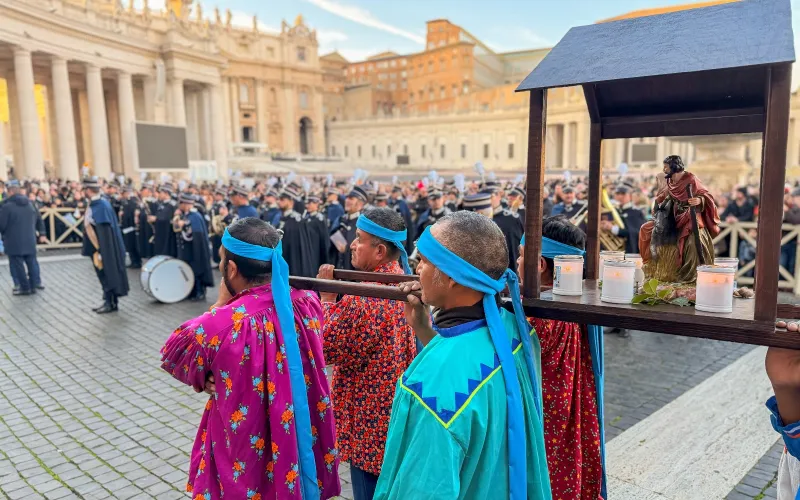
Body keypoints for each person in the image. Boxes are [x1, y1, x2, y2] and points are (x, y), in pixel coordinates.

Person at [160, 217, 341, 499]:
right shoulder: (306, 302)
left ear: (231, 268)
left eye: (221, 261)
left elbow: (175, 354)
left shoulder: (221, 323)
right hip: (296, 434)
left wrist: (220, 304)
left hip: (245, 443)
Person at [377, 211, 550, 499]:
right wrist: (423, 328)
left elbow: (423, 490)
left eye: (426, 262)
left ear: (452, 277)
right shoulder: (516, 331)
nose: (417, 270)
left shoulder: (429, 387)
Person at [317, 207, 416, 500]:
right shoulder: (398, 280)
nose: (352, 245)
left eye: (359, 239)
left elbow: (325, 348)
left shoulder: (366, 297)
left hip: (368, 423)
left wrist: (327, 299)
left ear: (380, 251)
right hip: (392, 414)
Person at [517, 217, 606, 500]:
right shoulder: (575, 301)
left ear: (540, 264)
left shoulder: (535, 317)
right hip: (569, 419)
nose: (516, 265)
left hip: (543, 424)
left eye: (520, 257)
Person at [639, 155, 720, 283]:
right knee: (646, 229)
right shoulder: (670, 181)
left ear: (674, 167)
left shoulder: (691, 179)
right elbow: (665, 196)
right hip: (671, 216)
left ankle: (691, 276)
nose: (664, 170)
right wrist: (659, 202)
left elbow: (707, 196)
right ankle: (650, 263)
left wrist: (699, 200)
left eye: (666, 167)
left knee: (692, 240)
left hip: (690, 215)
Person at [81, 178, 129, 313]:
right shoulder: (98, 204)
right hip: (100, 249)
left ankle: (111, 303)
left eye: (84, 189)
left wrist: (102, 252)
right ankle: (108, 300)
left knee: (106, 274)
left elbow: (104, 233)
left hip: (103, 250)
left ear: (89, 191)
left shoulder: (100, 206)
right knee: (103, 274)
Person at [0, 180, 45, 295]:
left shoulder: (7, 207)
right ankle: (34, 285)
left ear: (10, 192)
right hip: (29, 238)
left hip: (13, 240)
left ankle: (24, 287)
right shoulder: (30, 204)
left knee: (17, 265)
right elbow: (37, 220)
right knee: (31, 262)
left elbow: (2, 225)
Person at [176, 193, 214, 301]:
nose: (179, 205)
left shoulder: (195, 216)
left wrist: (185, 225)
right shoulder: (186, 215)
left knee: (196, 270)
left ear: (186, 204)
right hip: (188, 249)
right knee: (189, 270)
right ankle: (192, 291)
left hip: (195, 250)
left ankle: (199, 291)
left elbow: (195, 235)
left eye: (181, 203)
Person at [484, 186, 525, 271]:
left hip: (507, 270)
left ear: (499, 196)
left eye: (491, 197)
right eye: (485, 198)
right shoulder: (479, 219)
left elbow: (515, 251)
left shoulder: (510, 219)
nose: (488, 201)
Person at [277, 189, 314, 277]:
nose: (279, 202)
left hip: (295, 267)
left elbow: (300, 250)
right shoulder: (281, 218)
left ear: (291, 201)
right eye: (279, 199)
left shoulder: (297, 221)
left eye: (282, 199)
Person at [601, 184, 647, 254]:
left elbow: (637, 233)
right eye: (617, 193)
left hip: (629, 252)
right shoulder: (613, 211)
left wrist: (613, 228)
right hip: (611, 252)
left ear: (630, 196)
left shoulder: (636, 213)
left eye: (623, 193)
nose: (620, 196)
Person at [330, 186, 367, 271]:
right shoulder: (340, 220)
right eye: (347, 198)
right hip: (339, 269)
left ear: (360, 204)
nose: (347, 200)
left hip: (355, 272)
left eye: (351, 199)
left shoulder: (364, 224)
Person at [303, 194, 331, 273]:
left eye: (310, 203)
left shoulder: (320, 219)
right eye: (307, 203)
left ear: (316, 204)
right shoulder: (306, 217)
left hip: (316, 250)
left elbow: (324, 239)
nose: (307, 205)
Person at [152, 184, 178, 257]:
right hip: (160, 233)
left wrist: (156, 219)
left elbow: (170, 220)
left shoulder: (172, 205)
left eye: (161, 193)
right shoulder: (161, 204)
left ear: (166, 193)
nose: (159, 195)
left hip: (168, 235)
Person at [118, 186, 142, 269]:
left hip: (131, 226)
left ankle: (136, 261)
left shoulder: (133, 201)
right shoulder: (125, 201)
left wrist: (123, 214)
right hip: (126, 226)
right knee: (129, 244)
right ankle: (133, 261)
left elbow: (130, 214)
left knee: (133, 244)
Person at [389, 186, 414, 254]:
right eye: (393, 193)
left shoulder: (402, 203)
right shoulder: (389, 203)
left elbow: (407, 219)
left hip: (401, 230)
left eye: (395, 192)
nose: (394, 194)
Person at [137, 184, 156, 260]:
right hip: (143, 224)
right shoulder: (141, 200)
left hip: (149, 225)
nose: (142, 192)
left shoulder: (152, 201)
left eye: (144, 190)